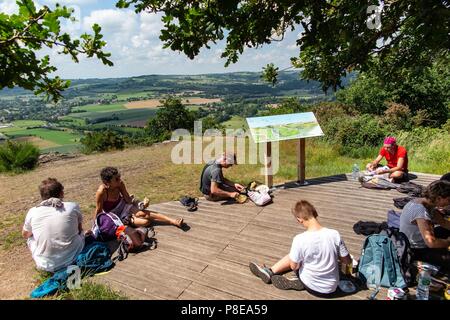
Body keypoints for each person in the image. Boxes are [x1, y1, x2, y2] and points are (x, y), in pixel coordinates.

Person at [249, 200, 352, 297]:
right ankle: (289, 277)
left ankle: (273, 272)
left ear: (299, 220)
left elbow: (294, 267)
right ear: (315, 214)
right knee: (304, 256)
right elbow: (347, 261)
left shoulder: (300, 239)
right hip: (331, 288)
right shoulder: (334, 234)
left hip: (312, 287)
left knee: (293, 256)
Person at [22, 178, 85, 272]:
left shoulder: (33, 211)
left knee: (30, 238)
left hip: (45, 265)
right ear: (61, 193)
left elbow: (25, 234)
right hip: (73, 258)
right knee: (81, 233)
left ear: (42, 196)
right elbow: (79, 230)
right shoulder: (72, 206)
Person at [95, 167, 183, 228]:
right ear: (107, 183)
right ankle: (128, 221)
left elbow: (128, 200)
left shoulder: (120, 184)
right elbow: (98, 210)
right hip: (114, 215)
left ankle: (172, 221)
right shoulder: (101, 192)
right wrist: (96, 226)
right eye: (116, 179)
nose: (120, 180)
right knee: (146, 222)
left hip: (123, 205)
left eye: (119, 177)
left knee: (142, 214)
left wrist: (141, 205)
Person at [400, 180, 450, 274]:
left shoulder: (425, 203)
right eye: (448, 200)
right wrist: (448, 242)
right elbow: (431, 243)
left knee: (444, 230)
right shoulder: (420, 211)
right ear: (438, 198)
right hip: (416, 249)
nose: (449, 203)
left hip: (422, 240)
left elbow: (443, 222)